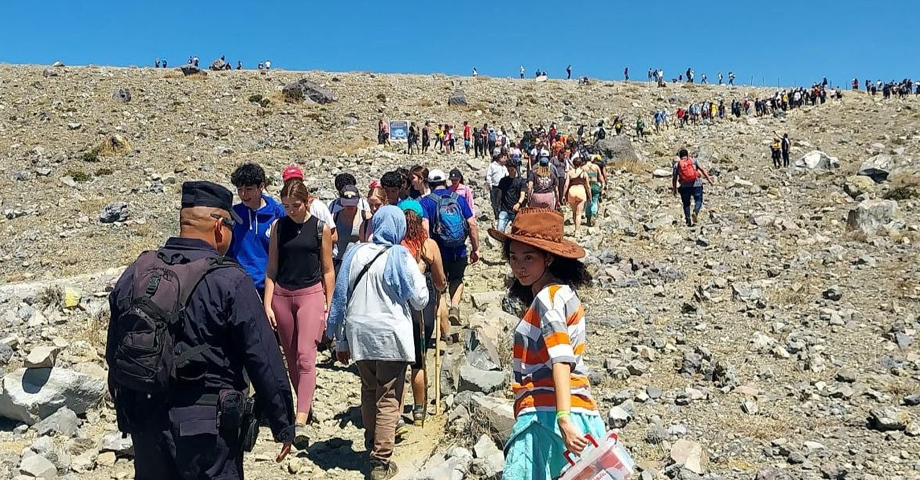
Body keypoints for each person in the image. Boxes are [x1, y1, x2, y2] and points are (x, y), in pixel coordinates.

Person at [107, 181, 295, 480]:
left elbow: (115, 348)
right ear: (220, 226)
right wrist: (283, 422)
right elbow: (263, 356)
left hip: (146, 422)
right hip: (208, 431)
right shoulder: (230, 280)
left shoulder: (137, 271)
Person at [486, 208, 604, 480]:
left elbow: (560, 358)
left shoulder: (548, 299)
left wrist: (563, 418)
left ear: (548, 258)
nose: (519, 266)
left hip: (545, 417)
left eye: (529, 257)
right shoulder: (563, 293)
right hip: (577, 409)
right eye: (514, 257)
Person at [326, 206, 429, 480]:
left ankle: (371, 440)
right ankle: (381, 460)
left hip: (359, 331)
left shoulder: (355, 253)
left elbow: (341, 296)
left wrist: (340, 339)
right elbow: (420, 299)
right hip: (390, 334)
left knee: (369, 389)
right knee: (388, 395)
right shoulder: (400, 256)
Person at [264, 177, 335, 450]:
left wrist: (330, 304)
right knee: (291, 358)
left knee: (307, 355)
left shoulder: (320, 228)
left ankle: (301, 418)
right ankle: (305, 403)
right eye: (285, 206)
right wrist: (267, 303)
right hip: (282, 295)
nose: (290, 211)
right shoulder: (278, 228)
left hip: (311, 294)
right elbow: (271, 268)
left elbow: (328, 269)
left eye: (295, 205)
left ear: (307, 202)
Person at [399, 200, 447, 425]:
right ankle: (419, 410)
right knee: (419, 360)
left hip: (398, 309)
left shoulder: (394, 246)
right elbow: (440, 281)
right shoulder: (428, 245)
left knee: (398, 362)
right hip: (423, 309)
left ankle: (395, 411)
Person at [420, 169, 481, 340]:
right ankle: (455, 306)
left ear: (430, 184)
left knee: (440, 291)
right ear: (445, 182)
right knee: (457, 280)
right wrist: (475, 248)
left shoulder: (426, 202)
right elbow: (472, 224)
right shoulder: (459, 199)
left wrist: (426, 253)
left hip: (438, 253)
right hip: (459, 249)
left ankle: (445, 333)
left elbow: (425, 228)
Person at [228, 163, 286, 298]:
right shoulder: (233, 214)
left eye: (248, 189)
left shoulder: (278, 213)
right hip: (238, 285)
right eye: (239, 189)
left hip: (269, 286)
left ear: (261, 186)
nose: (243, 194)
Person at [671, 148, 715, 227]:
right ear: (687, 155)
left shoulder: (677, 165)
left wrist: (674, 189)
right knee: (698, 200)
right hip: (696, 184)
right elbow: (702, 170)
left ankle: (688, 220)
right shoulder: (693, 160)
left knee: (686, 204)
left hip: (684, 186)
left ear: (680, 157)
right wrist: (709, 180)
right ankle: (696, 211)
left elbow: (674, 178)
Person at [332, 185, 367, 272]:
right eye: (346, 203)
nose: (350, 206)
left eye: (352, 203)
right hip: (339, 260)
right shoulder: (334, 217)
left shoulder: (365, 216)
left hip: (358, 261)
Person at [497, 158, 527, 231]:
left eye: (512, 170)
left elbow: (522, 194)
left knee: (517, 231)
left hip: (516, 210)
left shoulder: (521, 181)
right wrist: (496, 205)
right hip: (504, 209)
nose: (510, 172)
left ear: (516, 169)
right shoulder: (503, 181)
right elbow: (499, 194)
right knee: (500, 229)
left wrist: (518, 203)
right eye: (509, 170)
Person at [564, 157, 592, 234]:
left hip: (571, 191)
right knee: (579, 213)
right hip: (580, 191)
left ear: (573, 163)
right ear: (581, 164)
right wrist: (590, 196)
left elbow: (566, 185)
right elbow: (588, 186)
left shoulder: (569, 173)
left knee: (574, 211)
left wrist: (563, 195)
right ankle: (577, 230)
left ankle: (575, 226)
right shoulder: (584, 173)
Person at [486, 148, 508, 221]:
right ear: (498, 158)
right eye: (502, 157)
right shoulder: (492, 166)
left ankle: (500, 214)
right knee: (494, 201)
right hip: (495, 186)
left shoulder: (504, 167)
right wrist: (490, 183)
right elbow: (488, 175)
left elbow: (507, 175)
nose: (504, 159)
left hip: (503, 187)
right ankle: (496, 215)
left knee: (501, 201)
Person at [584, 155, 606, 227]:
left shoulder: (583, 167)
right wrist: (603, 184)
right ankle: (593, 214)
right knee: (594, 200)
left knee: (587, 201)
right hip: (595, 184)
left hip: (587, 185)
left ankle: (588, 216)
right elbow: (600, 176)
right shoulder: (596, 167)